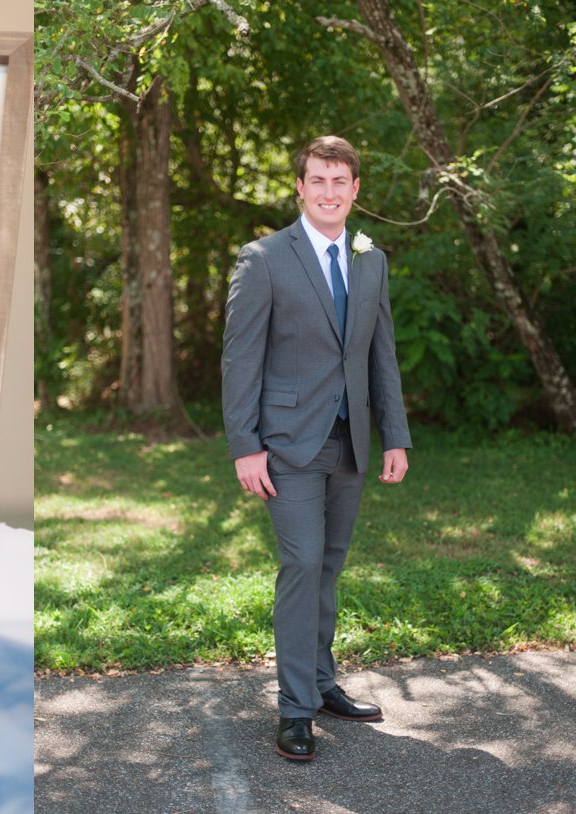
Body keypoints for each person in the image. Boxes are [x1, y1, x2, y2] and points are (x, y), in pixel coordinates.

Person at [221, 135, 412, 761]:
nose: (329, 192)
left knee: (329, 566)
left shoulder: (371, 259)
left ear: (355, 190)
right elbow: (240, 359)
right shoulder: (265, 258)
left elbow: (379, 353)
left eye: (340, 182)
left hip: (350, 442)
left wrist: (395, 437)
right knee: (301, 565)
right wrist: (245, 446)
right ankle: (295, 709)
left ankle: (324, 682)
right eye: (318, 181)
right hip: (285, 446)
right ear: (300, 188)